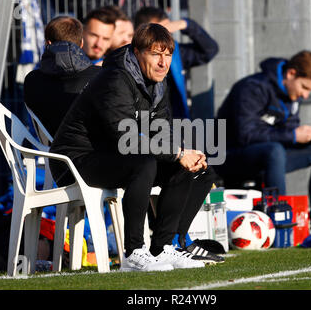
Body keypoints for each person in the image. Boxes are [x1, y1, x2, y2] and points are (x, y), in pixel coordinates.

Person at [49, 23, 216, 271]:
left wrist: (184, 155)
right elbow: (125, 138)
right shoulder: (115, 78)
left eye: (168, 54)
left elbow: (161, 130)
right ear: (137, 53)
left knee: (197, 171)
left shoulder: (158, 82)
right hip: (75, 161)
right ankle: (135, 252)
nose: (163, 62)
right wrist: (177, 153)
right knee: (144, 163)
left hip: (113, 157)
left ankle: (165, 247)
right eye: (155, 54)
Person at [216, 50, 311, 233]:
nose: (306, 95)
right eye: (305, 87)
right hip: (230, 157)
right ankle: (279, 223)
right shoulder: (252, 87)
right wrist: (294, 135)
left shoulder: (291, 96)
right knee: (275, 150)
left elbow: (287, 133)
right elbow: (245, 135)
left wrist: (310, 134)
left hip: (270, 156)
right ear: (291, 74)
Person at [134, 6, 219, 119]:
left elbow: (209, 50)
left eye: (168, 31)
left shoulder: (176, 54)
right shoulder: (131, 58)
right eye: (160, 32)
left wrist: (186, 24)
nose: (163, 62)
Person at [24, 16, 100, 137]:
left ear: (48, 43)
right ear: (81, 44)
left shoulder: (31, 80)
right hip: (91, 149)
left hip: (48, 149)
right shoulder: (101, 76)